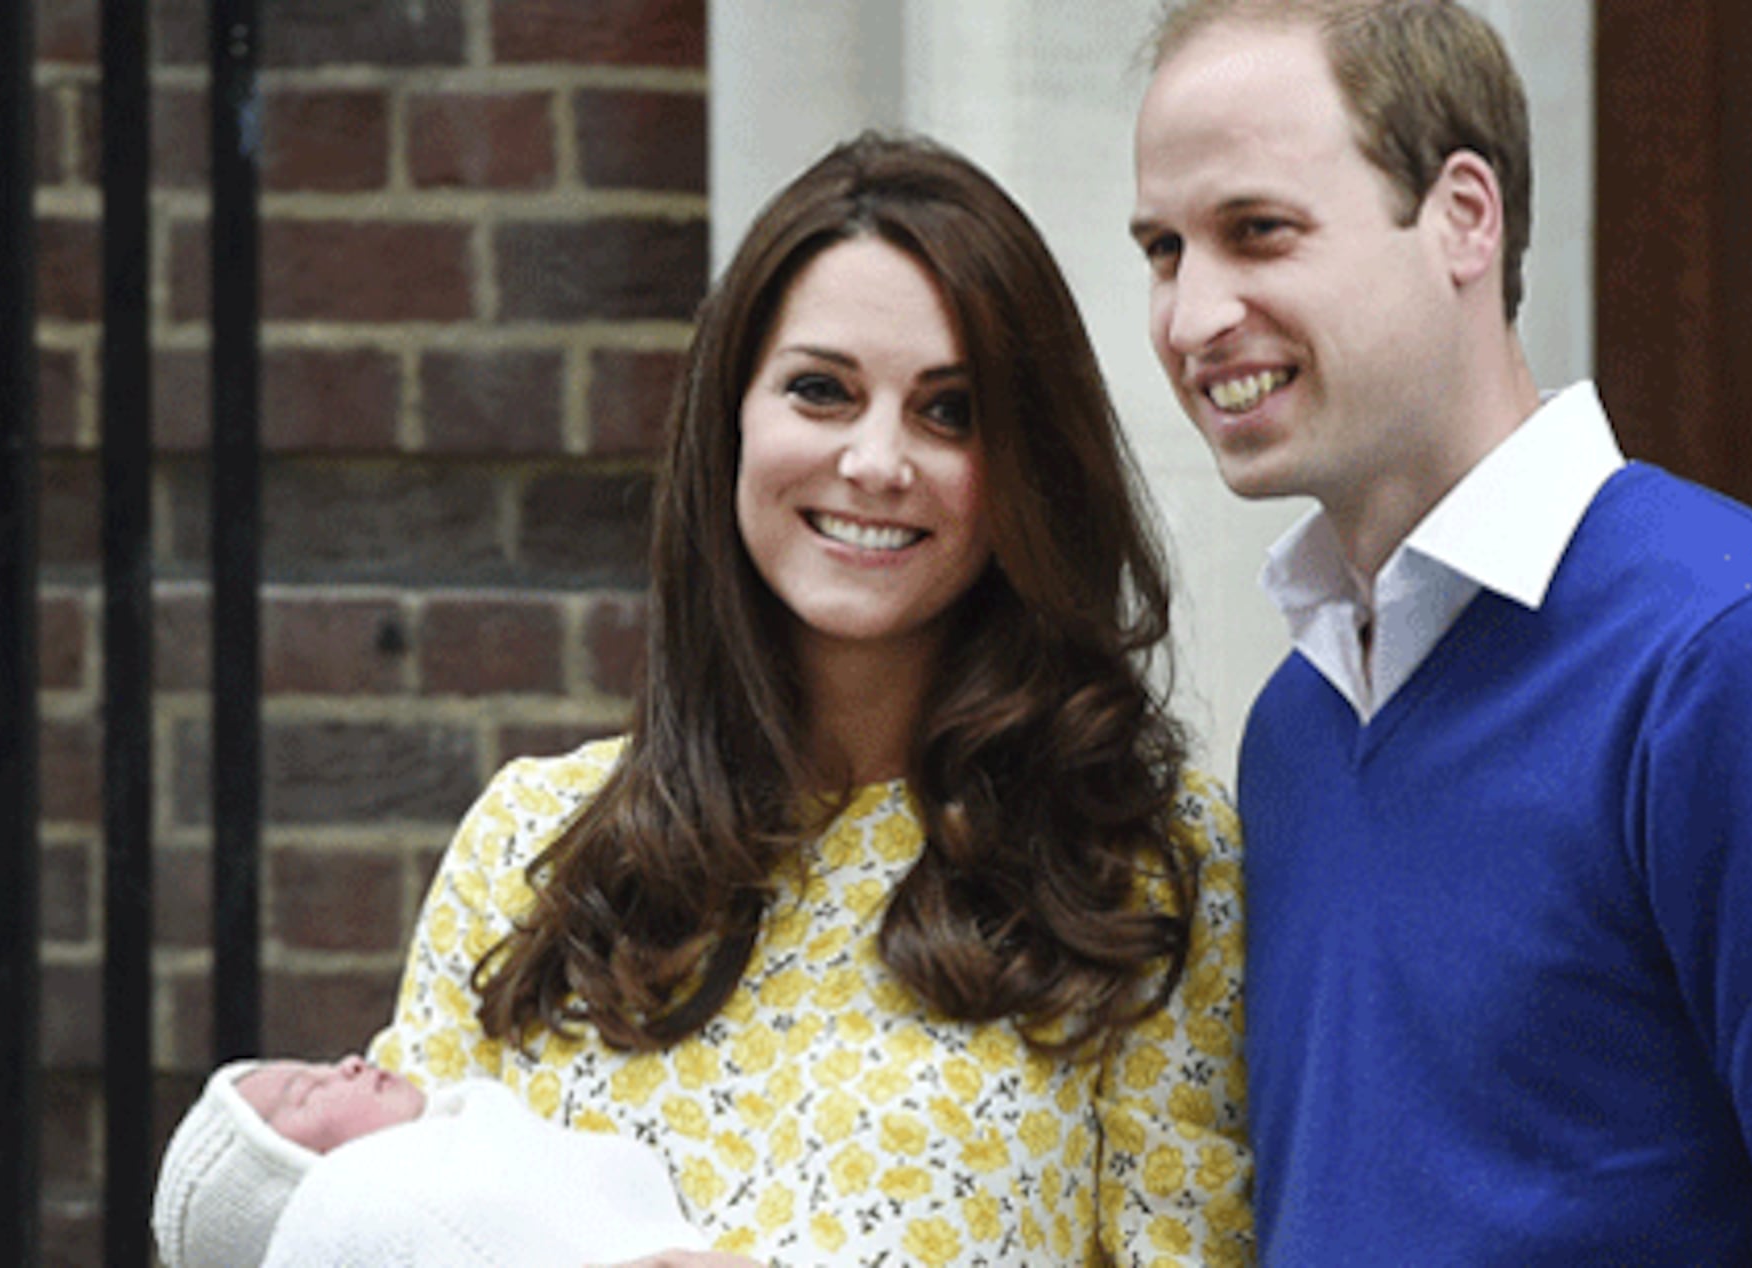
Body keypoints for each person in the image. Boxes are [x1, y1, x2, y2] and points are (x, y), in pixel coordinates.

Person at [1128, 0, 1752, 1262]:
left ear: (1463, 216)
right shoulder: (1298, 727)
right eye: (1164, 250)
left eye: (1257, 232)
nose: (1190, 317)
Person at [366, 132, 1251, 1266]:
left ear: (1027, 465)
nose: (877, 460)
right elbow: (361, 1229)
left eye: (949, 411)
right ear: (732, 416)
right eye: (821, 391)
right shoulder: (528, 845)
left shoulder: (1147, 875)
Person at [150, 1054, 707, 1267]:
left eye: (318, 1064)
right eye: (306, 1091)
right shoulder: (370, 1203)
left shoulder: (482, 1131)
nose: (347, 1063)